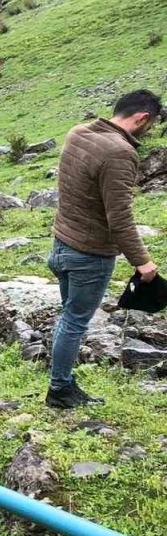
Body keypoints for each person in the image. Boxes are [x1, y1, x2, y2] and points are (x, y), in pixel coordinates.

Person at [47, 88, 162, 409]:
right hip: (89, 254)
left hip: (60, 244)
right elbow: (120, 218)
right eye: (149, 126)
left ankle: (63, 382)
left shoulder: (78, 132)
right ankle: (60, 390)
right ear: (142, 119)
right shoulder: (120, 153)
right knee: (74, 322)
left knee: (68, 317)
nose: (148, 131)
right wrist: (143, 262)